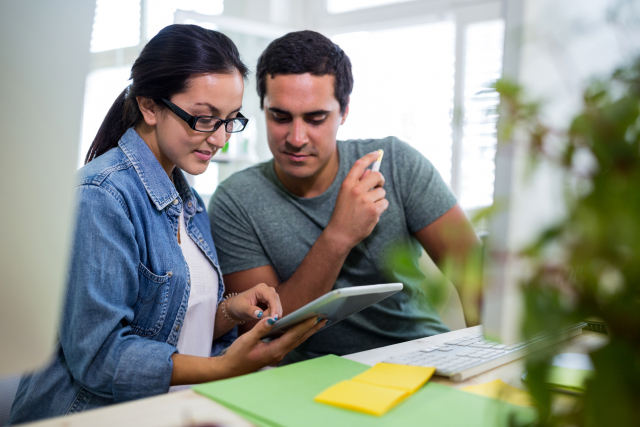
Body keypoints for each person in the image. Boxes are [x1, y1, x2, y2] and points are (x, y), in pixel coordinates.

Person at [8, 25, 326, 425]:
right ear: (149, 106)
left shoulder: (185, 197)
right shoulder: (101, 195)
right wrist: (224, 367)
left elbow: (169, 325)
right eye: (205, 119)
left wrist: (231, 310)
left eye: (231, 120)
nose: (221, 139)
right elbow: (101, 357)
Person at [208, 30, 483, 364]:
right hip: (308, 380)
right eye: (280, 117)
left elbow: (476, 281)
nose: (296, 138)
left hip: (421, 358)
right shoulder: (236, 200)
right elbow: (266, 326)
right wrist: (340, 235)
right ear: (263, 108)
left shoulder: (396, 164)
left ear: (344, 112)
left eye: (316, 118)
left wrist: (485, 368)